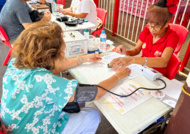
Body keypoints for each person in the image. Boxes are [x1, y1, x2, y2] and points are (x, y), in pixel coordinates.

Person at [0, 21, 131, 134]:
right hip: (34, 129)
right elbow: (97, 94)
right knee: (93, 115)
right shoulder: (46, 81)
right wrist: (119, 76)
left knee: (77, 101)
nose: (64, 54)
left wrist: (83, 58)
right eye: (63, 51)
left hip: (14, 125)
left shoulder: (17, 63)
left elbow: (55, 67)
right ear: (52, 56)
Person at [110, 0, 179, 77]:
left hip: (156, 75)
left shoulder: (172, 37)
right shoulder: (147, 30)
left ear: (167, 23)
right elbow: (136, 50)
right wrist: (125, 52)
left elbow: (163, 61)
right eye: (150, 23)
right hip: (141, 69)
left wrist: (133, 60)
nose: (152, 29)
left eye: (156, 26)